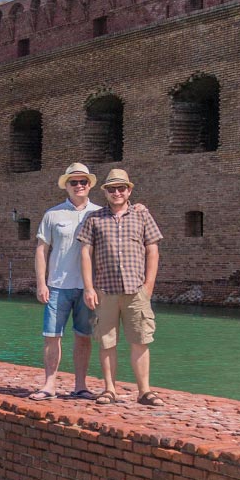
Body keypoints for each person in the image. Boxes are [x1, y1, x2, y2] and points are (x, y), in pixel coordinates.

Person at [78, 168, 162, 406]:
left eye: (121, 188)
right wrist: (88, 287)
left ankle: (144, 391)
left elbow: (152, 250)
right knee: (106, 342)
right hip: (105, 289)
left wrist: (149, 286)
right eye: (112, 189)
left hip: (136, 289)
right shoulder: (94, 218)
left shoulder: (142, 215)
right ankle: (109, 390)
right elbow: (86, 253)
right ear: (105, 192)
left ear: (129, 190)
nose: (117, 192)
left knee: (141, 340)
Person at [29, 162, 101, 401]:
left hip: (88, 287)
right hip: (58, 284)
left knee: (84, 336)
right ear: (66, 186)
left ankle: (80, 385)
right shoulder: (52, 214)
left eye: (83, 182)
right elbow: (42, 250)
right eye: (74, 182)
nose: (79, 185)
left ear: (89, 185)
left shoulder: (100, 213)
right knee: (52, 336)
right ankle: (49, 384)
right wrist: (41, 283)